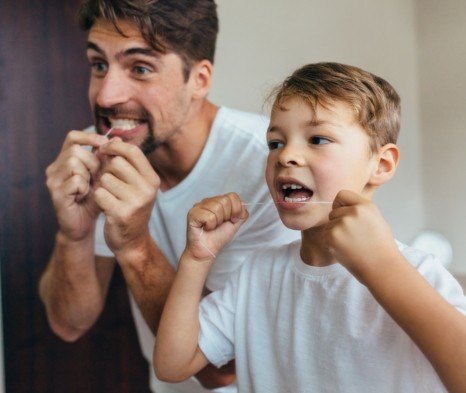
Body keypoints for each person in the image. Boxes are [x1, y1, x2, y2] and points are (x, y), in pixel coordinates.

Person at [154, 62, 466, 392]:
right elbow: (173, 364)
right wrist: (196, 259)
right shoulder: (257, 274)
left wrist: (383, 267)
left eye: (317, 139)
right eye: (275, 143)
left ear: (381, 165)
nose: (287, 155)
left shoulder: (419, 272)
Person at [38, 1, 298, 392]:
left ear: (199, 79)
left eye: (140, 68)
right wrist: (73, 234)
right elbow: (69, 323)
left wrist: (135, 246)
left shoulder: (271, 169)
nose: (107, 97)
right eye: (98, 65)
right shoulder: (101, 158)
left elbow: (221, 369)